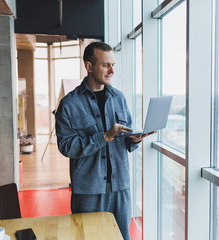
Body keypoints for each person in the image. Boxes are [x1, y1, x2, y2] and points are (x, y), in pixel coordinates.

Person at [55, 41, 154, 240]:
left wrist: (134, 140)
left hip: (120, 186)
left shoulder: (119, 98)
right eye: (105, 65)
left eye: (113, 65)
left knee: (121, 237)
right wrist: (104, 137)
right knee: (87, 237)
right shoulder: (69, 104)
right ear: (89, 66)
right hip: (88, 190)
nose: (111, 71)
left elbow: (124, 141)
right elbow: (66, 146)